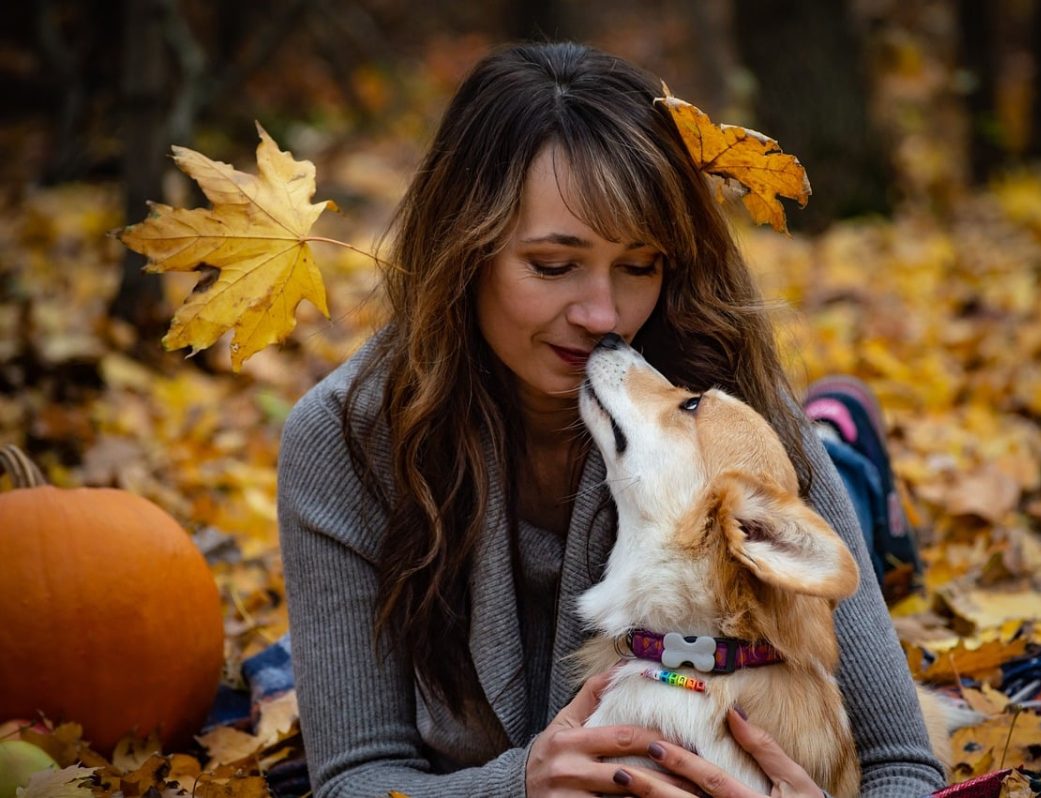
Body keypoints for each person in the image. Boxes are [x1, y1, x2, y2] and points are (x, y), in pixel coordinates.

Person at [277, 41, 942, 798]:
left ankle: (840, 455)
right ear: (464, 253)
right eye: (553, 266)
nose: (603, 316)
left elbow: (901, 763)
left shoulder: (720, 400)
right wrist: (516, 787)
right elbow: (354, 780)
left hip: (766, 543)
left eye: (639, 265)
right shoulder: (345, 437)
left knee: (821, 493)